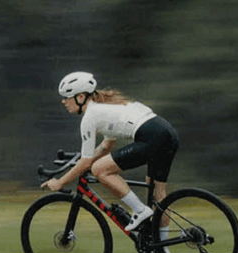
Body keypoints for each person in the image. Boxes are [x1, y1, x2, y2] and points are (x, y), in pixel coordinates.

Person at [41, 71, 180, 242]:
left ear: (81, 96)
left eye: (67, 97)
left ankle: (139, 210)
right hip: (166, 133)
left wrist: (60, 182)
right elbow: (107, 145)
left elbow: (87, 162)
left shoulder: (90, 117)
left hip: (152, 136)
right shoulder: (103, 108)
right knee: (158, 196)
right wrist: (85, 160)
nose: (63, 101)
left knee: (99, 169)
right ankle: (162, 249)